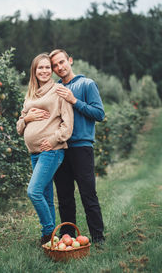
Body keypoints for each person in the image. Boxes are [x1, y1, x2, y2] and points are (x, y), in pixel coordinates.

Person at [16, 53, 73, 245]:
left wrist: (54, 139)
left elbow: (68, 124)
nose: (44, 70)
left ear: (52, 70)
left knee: (34, 191)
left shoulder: (58, 91)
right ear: (34, 71)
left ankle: (48, 232)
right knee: (46, 196)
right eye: (40, 67)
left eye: (48, 67)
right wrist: (27, 119)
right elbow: (18, 126)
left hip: (51, 151)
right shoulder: (30, 94)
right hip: (34, 153)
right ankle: (53, 241)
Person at [49, 49, 105, 244]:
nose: (59, 67)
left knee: (88, 194)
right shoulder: (53, 89)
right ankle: (68, 238)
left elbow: (99, 114)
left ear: (70, 60)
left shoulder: (87, 84)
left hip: (81, 147)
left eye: (62, 62)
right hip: (60, 148)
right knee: (64, 197)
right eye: (55, 65)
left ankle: (98, 238)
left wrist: (74, 101)